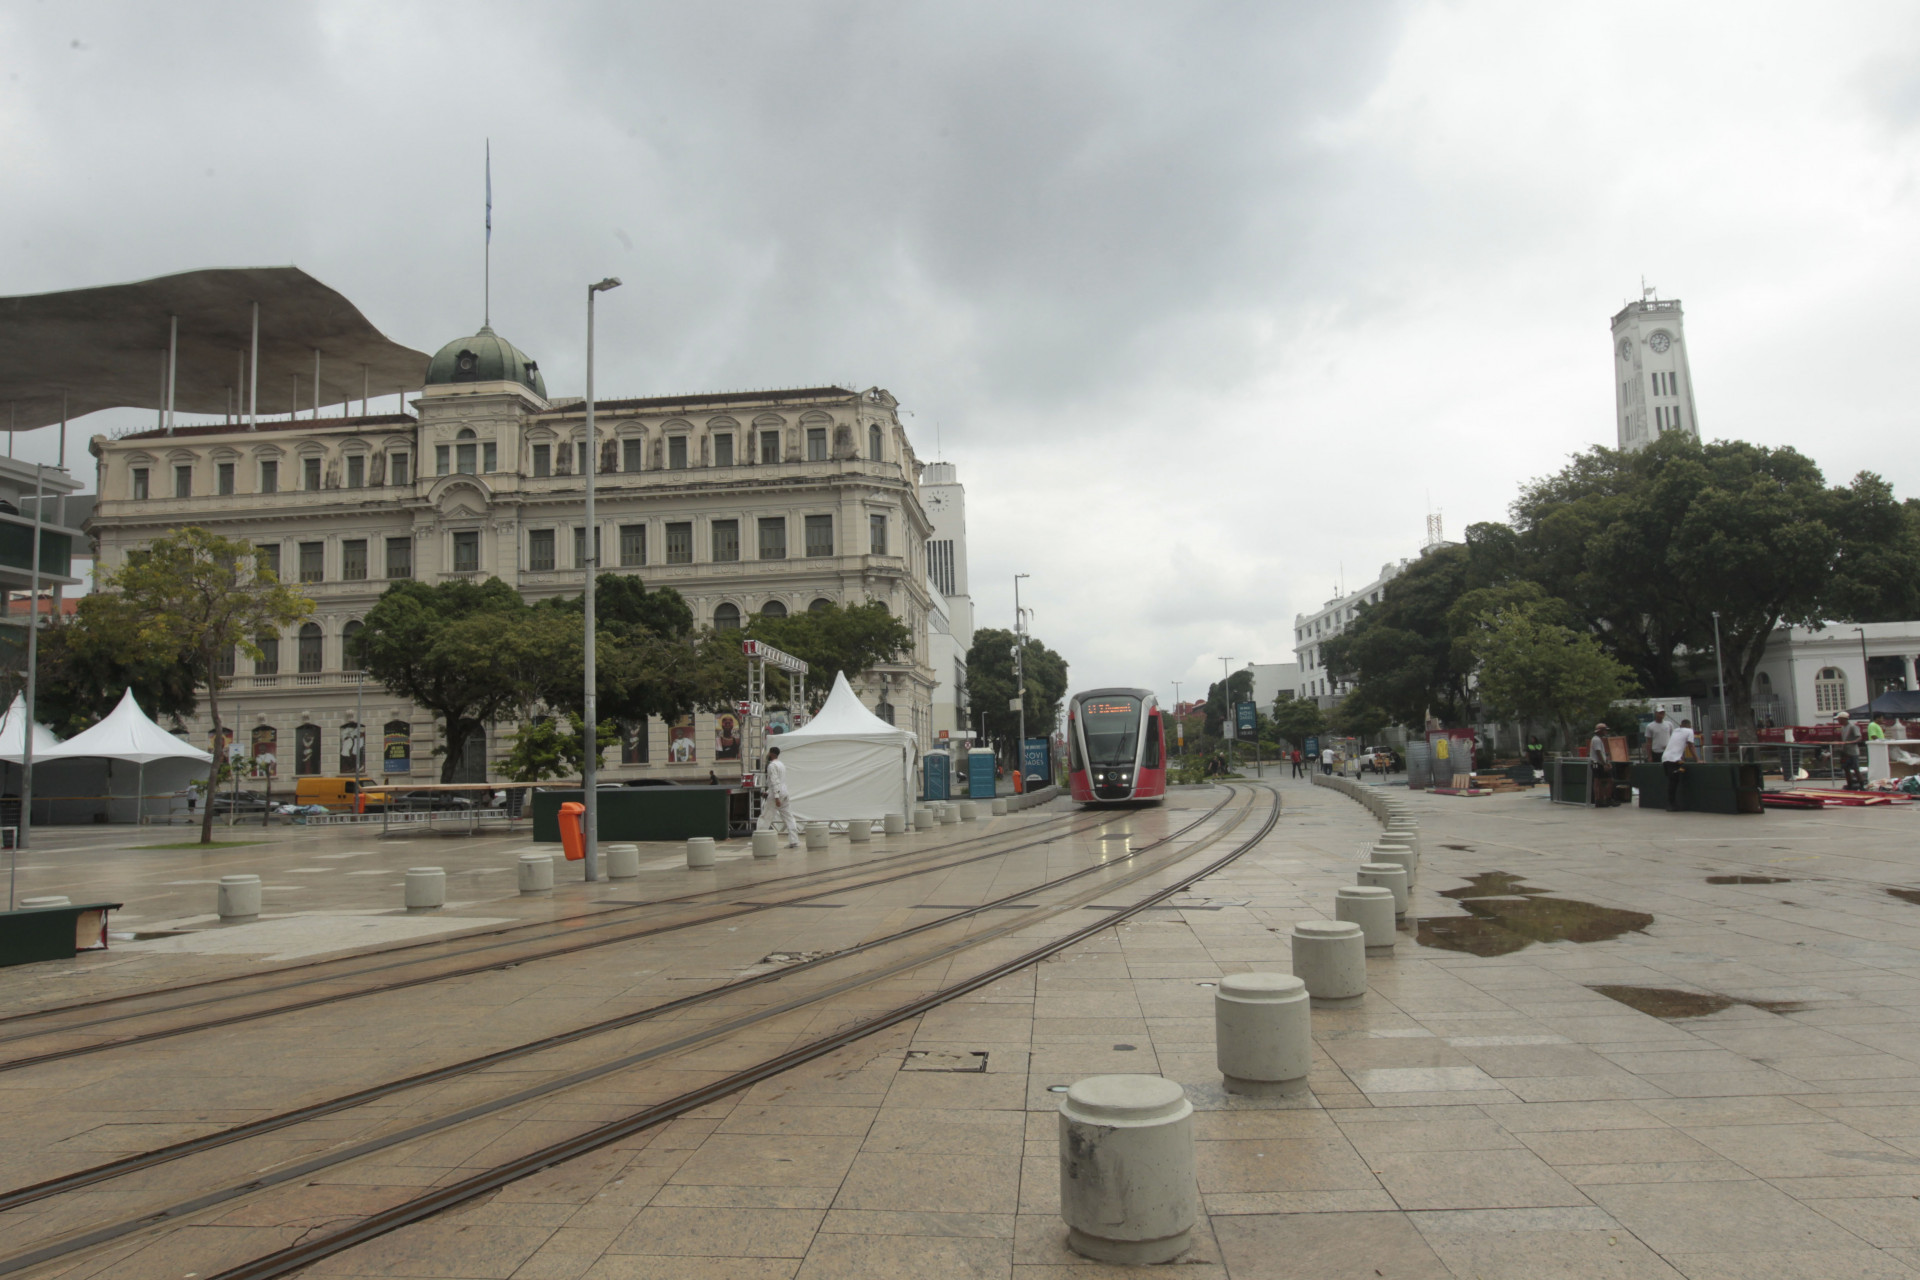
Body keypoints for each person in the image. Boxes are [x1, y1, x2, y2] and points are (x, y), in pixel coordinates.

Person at [764, 745, 800, 848]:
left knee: (765, 816)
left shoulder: (771, 766)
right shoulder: (781, 764)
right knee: (788, 817)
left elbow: (774, 781)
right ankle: (794, 841)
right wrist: (768, 791)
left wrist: (776, 797)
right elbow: (778, 781)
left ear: (771, 753)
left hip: (777, 793)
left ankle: (760, 838)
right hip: (784, 792)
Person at [1662, 718, 1698, 811]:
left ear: (1681, 725)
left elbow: (1677, 744)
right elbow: (1691, 745)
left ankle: (1672, 803)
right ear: (1690, 726)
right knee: (1673, 782)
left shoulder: (1676, 731)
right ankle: (1671, 805)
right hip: (1673, 760)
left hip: (1665, 758)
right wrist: (1697, 759)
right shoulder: (1690, 731)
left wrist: (1682, 758)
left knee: (1671, 781)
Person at [1589, 722, 1615, 806]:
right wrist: (1604, 764)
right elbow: (1598, 752)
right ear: (1600, 731)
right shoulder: (1596, 739)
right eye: (1604, 730)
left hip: (1597, 763)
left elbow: (1602, 753)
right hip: (1598, 763)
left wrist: (1606, 762)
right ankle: (1605, 799)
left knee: (1599, 781)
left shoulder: (1598, 739)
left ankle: (1600, 799)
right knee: (1607, 780)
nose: (1606, 732)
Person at [1837, 712, 1864, 789]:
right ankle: (1850, 784)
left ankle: (1861, 786)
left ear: (1844, 719)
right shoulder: (1843, 728)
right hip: (1845, 751)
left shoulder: (1852, 727)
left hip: (1852, 752)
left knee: (1855, 768)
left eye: (1839, 719)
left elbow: (1859, 737)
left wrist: (1853, 742)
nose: (1838, 721)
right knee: (1846, 769)